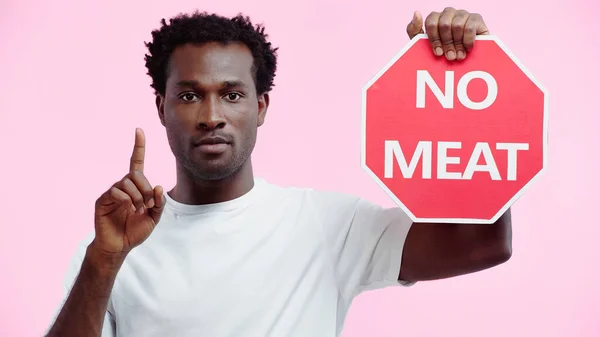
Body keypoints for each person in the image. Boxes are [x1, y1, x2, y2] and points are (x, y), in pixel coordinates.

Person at [46, 7, 512, 337]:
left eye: (231, 94)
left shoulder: (326, 225)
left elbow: (484, 243)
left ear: (261, 106)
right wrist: (104, 260)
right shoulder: (113, 250)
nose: (211, 114)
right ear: (161, 107)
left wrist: (469, 82)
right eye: (189, 96)